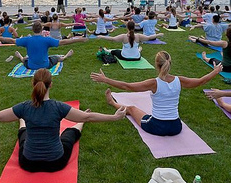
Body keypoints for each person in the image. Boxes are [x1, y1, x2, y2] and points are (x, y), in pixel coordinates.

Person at [0, 68, 126, 172]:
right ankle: (78, 125)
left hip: (28, 163)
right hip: (56, 162)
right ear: (51, 84)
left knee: (23, 134)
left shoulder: (24, 107)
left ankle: (22, 121)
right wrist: (114, 116)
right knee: (68, 133)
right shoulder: (59, 107)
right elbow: (88, 116)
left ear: (32, 83)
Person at [91, 51, 222, 136]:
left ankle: (112, 102)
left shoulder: (154, 83)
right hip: (176, 127)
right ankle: (113, 102)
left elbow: (127, 86)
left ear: (156, 65)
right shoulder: (179, 80)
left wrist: (105, 79)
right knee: (143, 112)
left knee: (131, 108)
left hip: (157, 126)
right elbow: (200, 81)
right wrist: (215, 71)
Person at [0, 21, 85, 69]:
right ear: (42, 29)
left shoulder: (27, 40)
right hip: (45, 65)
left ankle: (20, 56)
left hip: (31, 66)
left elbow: (11, 40)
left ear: (32, 29)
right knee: (59, 58)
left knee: (24, 59)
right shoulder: (46, 40)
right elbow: (63, 42)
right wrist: (79, 39)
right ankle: (66, 56)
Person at [97, 21, 163, 61]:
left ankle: (107, 50)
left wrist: (101, 36)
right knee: (135, 49)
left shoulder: (123, 36)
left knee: (115, 51)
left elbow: (112, 39)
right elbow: (149, 38)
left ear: (127, 27)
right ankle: (139, 50)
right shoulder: (138, 36)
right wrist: (158, 35)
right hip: (137, 58)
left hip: (125, 57)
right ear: (134, 27)